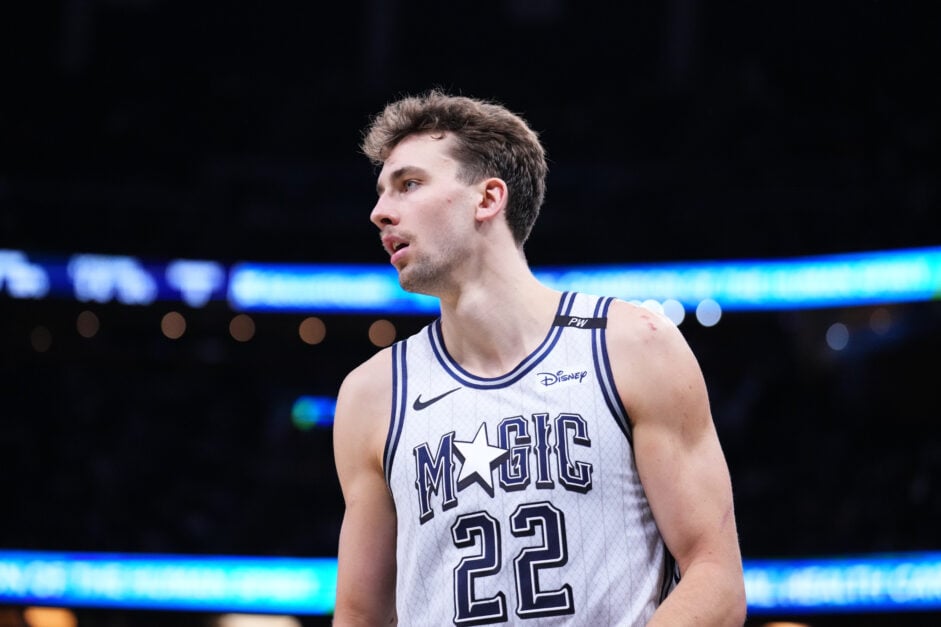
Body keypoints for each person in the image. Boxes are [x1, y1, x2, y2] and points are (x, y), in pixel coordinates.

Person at [332, 88, 747, 626]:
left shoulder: (633, 345)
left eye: (408, 184)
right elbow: (360, 616)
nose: (379, 212)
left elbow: (715, 578)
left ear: (488, 198)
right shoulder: (372, 394)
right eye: (382, 192)